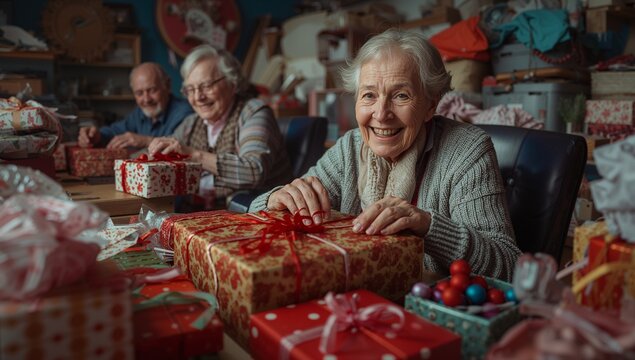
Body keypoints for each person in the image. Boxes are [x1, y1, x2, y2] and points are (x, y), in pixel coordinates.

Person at [249, 29, 522, 281]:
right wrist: (274, 199)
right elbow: (259, 216)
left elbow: (510, 266)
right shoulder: (350, 147)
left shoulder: (467, 151)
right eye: (369, 95)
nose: (381, 114)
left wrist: (428, 226)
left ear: (430, 104)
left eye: (401, 96)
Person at [148, 45, 292, 206]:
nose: (198, 97)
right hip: (201, 214)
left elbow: (254, 171)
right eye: (190, 89)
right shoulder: (192, 123)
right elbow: (166, 149)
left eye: (207, 86)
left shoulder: (254, 112)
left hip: (254, 216)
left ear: (233, 83)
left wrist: (194, 155)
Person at [77, 62, 193, 150]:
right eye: (139, 93)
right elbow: (115, 131)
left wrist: (146, 141)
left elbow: (182, 148)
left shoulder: (185, 113)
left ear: (167, 86)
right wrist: (96, 135)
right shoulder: (140, 114)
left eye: (152, 90)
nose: (146, 99)